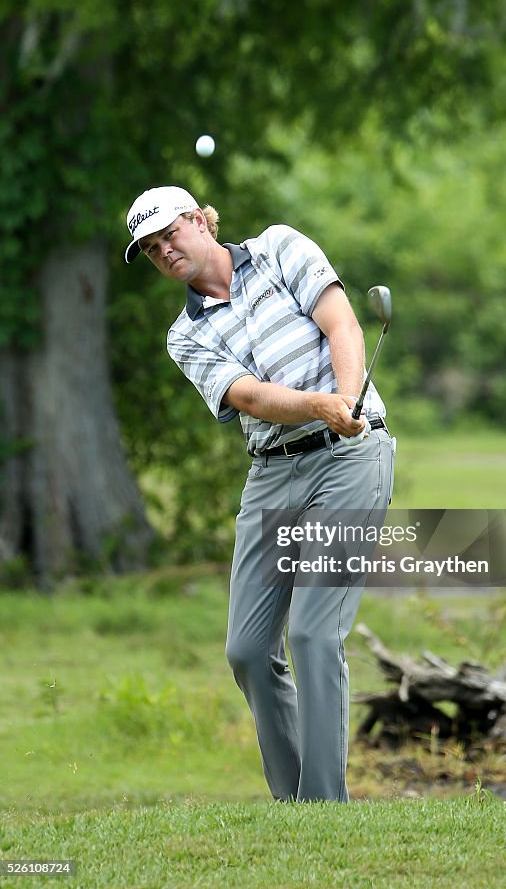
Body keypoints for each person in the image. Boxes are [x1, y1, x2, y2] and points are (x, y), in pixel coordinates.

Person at [124, 185, 395, 802]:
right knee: (247, 648)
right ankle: (292, 800)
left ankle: (322, 805)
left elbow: (342, 324)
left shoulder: (278, 248)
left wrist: (346, 401)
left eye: (170, 233)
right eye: (150, 248)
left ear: (199, 220)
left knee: (312, 634)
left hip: (350, 457)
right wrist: (319, 407)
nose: (164, 251)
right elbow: (246, 396)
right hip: (271, 471)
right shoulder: (184, 335)